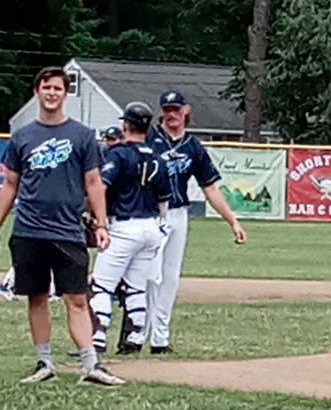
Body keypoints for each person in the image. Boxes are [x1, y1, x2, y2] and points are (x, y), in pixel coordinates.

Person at [0, 67, 119, 385]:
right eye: (46, 87)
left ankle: (91, 365)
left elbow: (94, 182)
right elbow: (10, 184)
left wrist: (101, 223)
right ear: (37, 91)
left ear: (65, 94)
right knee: (36, 296)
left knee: (77, 298)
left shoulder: (81, 135)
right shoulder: (23, 137)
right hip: (29, 229)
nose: (52, 93)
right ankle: (44, 363)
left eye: (58, 88)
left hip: (67, 229)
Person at [144, 90, 246, 354]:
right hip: (152, 213)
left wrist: (232, 220)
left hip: (178, 213)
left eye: (176, 109)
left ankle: (160, 338)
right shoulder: (149, 138)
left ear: (185, 111)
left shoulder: (193, 146)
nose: (172, 114)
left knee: (170, 277)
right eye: (167, 109)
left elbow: (210, 188)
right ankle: (137, 333)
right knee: (149, 275)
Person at [89, 102, 172, 357]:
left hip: (125, 226)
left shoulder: (120, 153)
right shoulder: (158, 157)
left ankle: (97, 337)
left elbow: (101, 186)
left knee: (101, 286)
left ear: (125, 125)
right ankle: (134, 339)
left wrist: (95, 217)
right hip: (151, 226)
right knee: (136, 287)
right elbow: (164, 200)